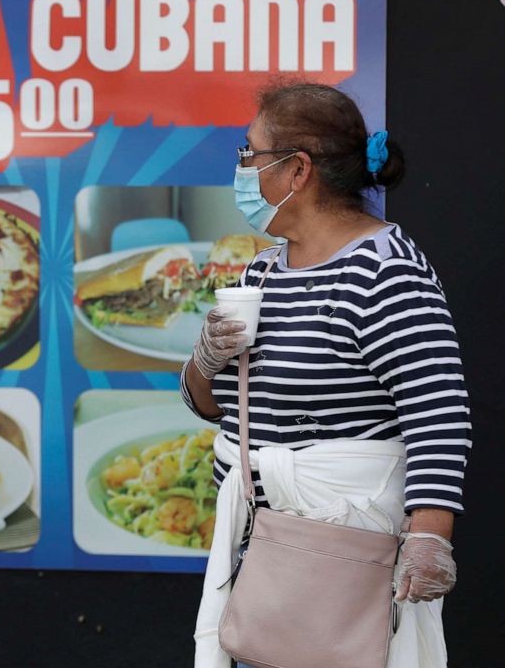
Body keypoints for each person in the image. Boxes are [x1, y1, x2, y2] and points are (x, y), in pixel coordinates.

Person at [184, 84, 471, 668]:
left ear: (297, 169)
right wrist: (204, 361)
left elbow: (437, 412)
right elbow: (214, 407)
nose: (241, 170)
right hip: (265, 551)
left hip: (343, 553)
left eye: (249, 153)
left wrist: (430, 535)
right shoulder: (262, 270)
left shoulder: (386, 273)